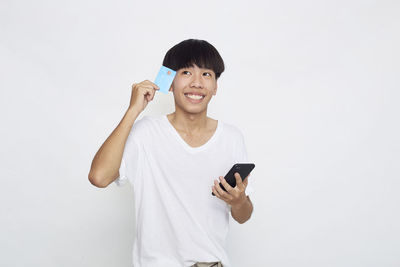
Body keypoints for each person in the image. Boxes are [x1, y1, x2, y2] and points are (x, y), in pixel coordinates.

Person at [88, 39, 255, 267]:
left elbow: (243, 216)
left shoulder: (232, 138)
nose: (197, 83)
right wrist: (133, 110)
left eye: (206, 74)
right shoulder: (146, 133)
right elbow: (99, 177)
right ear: (169, 81)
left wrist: (238, 201)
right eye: (186, 72)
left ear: (216, 86)